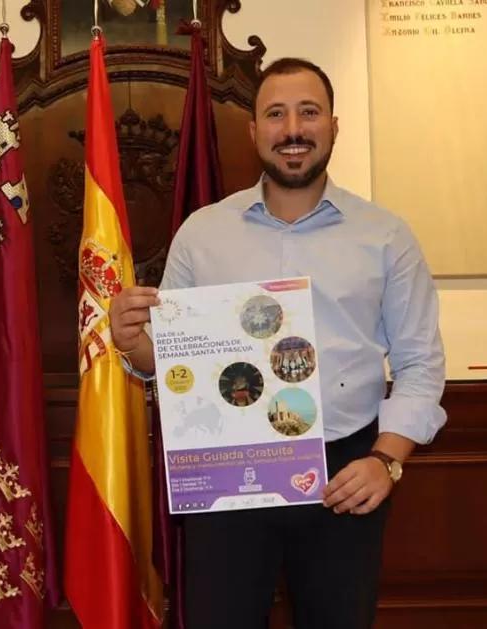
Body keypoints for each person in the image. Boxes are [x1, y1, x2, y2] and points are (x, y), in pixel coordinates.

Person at [109, 57, 446, 629]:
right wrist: (130, 340)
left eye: (308, 113)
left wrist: (385, 461)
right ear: (253, 131)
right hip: (227, 471)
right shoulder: (202, 233)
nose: (293, 129)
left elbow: (420, 364)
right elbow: (170, 358)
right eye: (276, 114)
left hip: (346, 470)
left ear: (333, 126)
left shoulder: (386, 236)